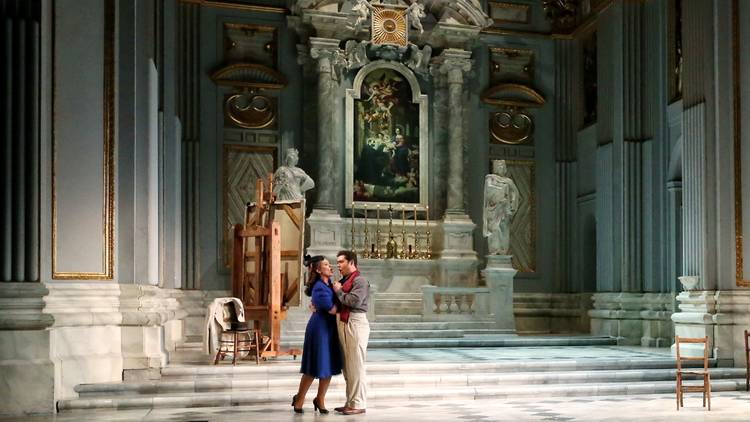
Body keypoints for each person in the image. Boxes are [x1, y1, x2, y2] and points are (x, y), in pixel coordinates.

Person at [292, 255, 342, 414]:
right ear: (319, 270)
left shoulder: (329, 285)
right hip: (319, 330)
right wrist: (344, 300)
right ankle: (299, 398)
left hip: (330, 329)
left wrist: (338, 292)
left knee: (327, 366)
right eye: (326, 265)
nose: (330, 266)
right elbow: (332, 309)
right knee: (314, 366)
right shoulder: (319, 287)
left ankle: (320, 399)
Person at [331, 250, 370, 415]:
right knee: (348, 367)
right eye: (338, 262)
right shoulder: (344, 280)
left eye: (341, 262)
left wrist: (339, 291)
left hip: (355, 322)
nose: (338, 265)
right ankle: (351, 402)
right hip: (344, 321)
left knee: (356, 365)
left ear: (352, 262)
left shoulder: (360, 280)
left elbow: (354, 301)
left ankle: (359, 403)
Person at [482, 160, 520, 255]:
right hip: (493, 210)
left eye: (503, 166)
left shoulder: (509, 181)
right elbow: (489, 190)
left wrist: (512, 205)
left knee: (504, 229)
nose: (501, 168)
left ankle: (503, 250)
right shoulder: (490, 179)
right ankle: (494, 250)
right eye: (499, 166)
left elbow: (515, 193)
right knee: (494, 229)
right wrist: (502, 191)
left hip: (505, 210)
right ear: (495, 167)